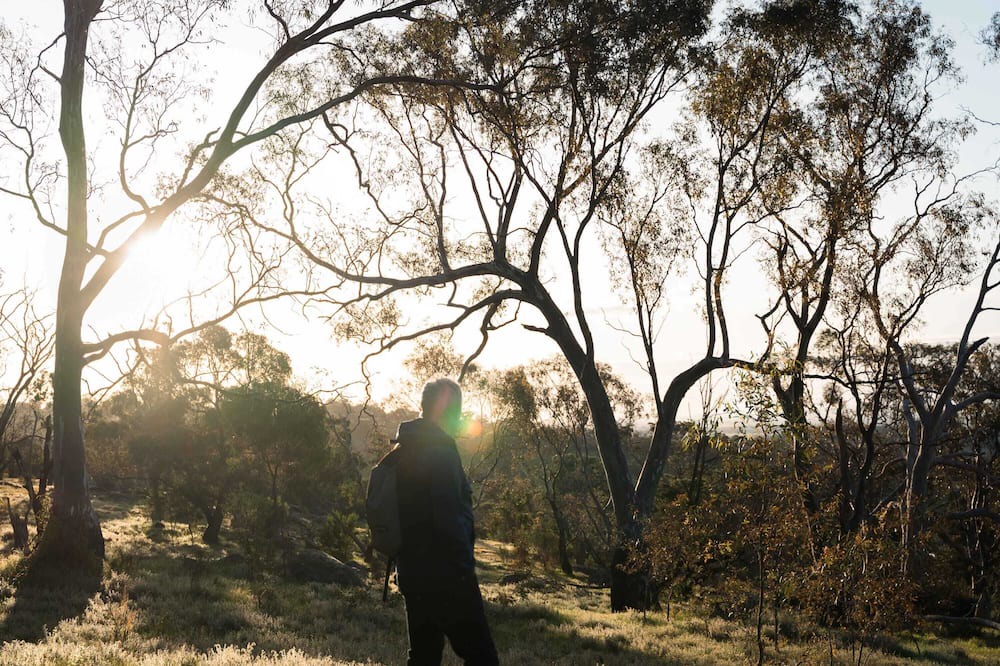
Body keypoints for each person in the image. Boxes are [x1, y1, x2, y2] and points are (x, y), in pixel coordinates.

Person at [393, 378, 499, 666]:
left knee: (424, 656)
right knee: (483, 657)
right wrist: (465, 570)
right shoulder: (441, 452)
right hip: (448, 577)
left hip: (412, 573)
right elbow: (447, 517)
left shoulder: (404, 448)